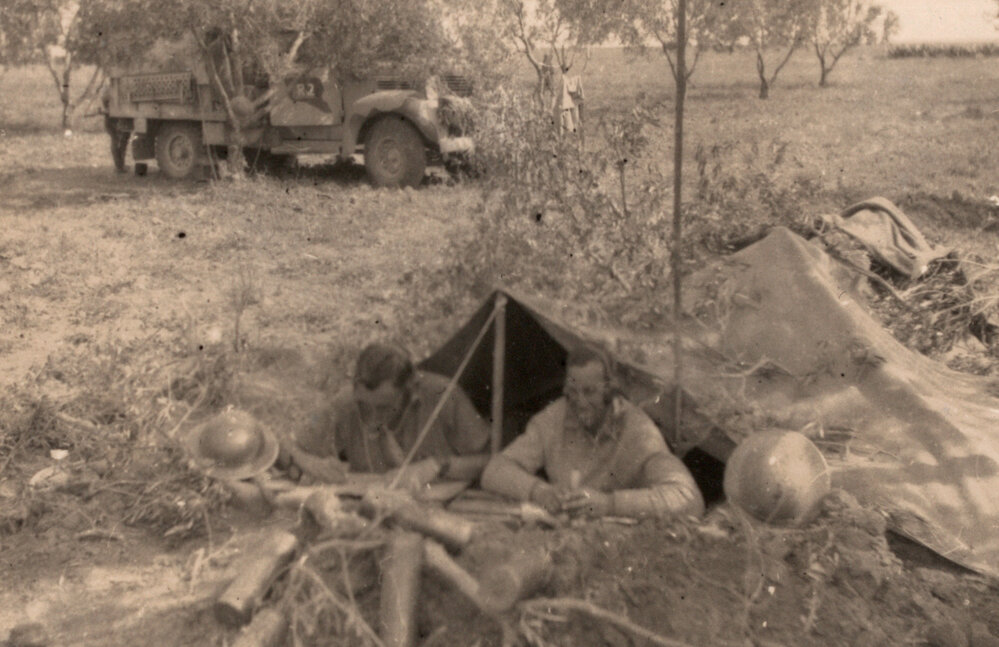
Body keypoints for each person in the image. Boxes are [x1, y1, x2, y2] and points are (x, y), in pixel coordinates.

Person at [480, 347, 704, 519]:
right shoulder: (555, 417)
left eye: (590, 392)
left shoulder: (637, 430)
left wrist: (610, 504)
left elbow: (689, 499)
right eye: (573, 392)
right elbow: (495, 470)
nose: (580, 402)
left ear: (610, 391)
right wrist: (539, 491)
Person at [287, 343, 492, 483]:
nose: (373, 416)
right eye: (365, 406)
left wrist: (439, 466)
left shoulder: (444, 397)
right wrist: (309, 462)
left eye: (384, 407)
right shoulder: (346, 403)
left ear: (409, 390)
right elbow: (287, 445)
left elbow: (490, 461)